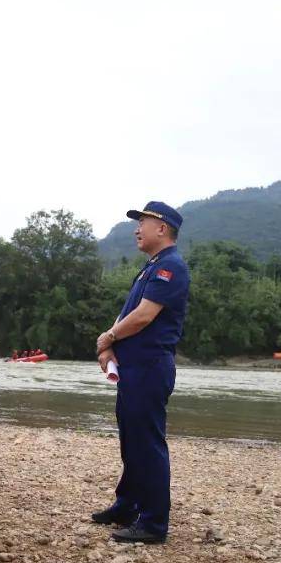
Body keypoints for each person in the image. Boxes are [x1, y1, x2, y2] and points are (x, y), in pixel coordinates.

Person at [93, 201, 190, 544]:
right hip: (134, 367)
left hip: (149, 367)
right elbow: (127, 314)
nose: (137, 229)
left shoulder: (170, 267)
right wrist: (108, 345)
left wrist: (109, 337)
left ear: (161, 229)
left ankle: (153, 523)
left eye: (142, 222)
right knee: (131, 440)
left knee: (147, 443)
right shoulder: (152, 266)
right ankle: (127, 505)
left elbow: (144, 316)